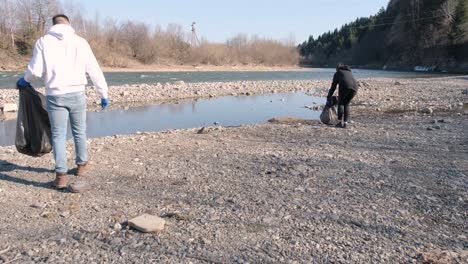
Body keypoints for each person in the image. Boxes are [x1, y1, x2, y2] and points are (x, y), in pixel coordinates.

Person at [16, 14, 110, 189]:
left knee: (58, 135)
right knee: (79, 132)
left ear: (53, 25)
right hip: (77, 93)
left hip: (55, 95)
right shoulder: (81, 42)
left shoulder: (43, 41)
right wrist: (103, 93)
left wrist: (25, 80)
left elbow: (35, 71)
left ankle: (61, 176)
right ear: (68, 24)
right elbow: (94, 70)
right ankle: (81, 166)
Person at [326, 63, 358, 128]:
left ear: (337, 68)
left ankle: (340, 122)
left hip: (345, 87)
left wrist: (329, 96)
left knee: (340, 103)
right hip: (355, 88)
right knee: (346, 104)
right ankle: (345, 123)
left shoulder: (338, 73)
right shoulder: (349, 72)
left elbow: (333, 87)